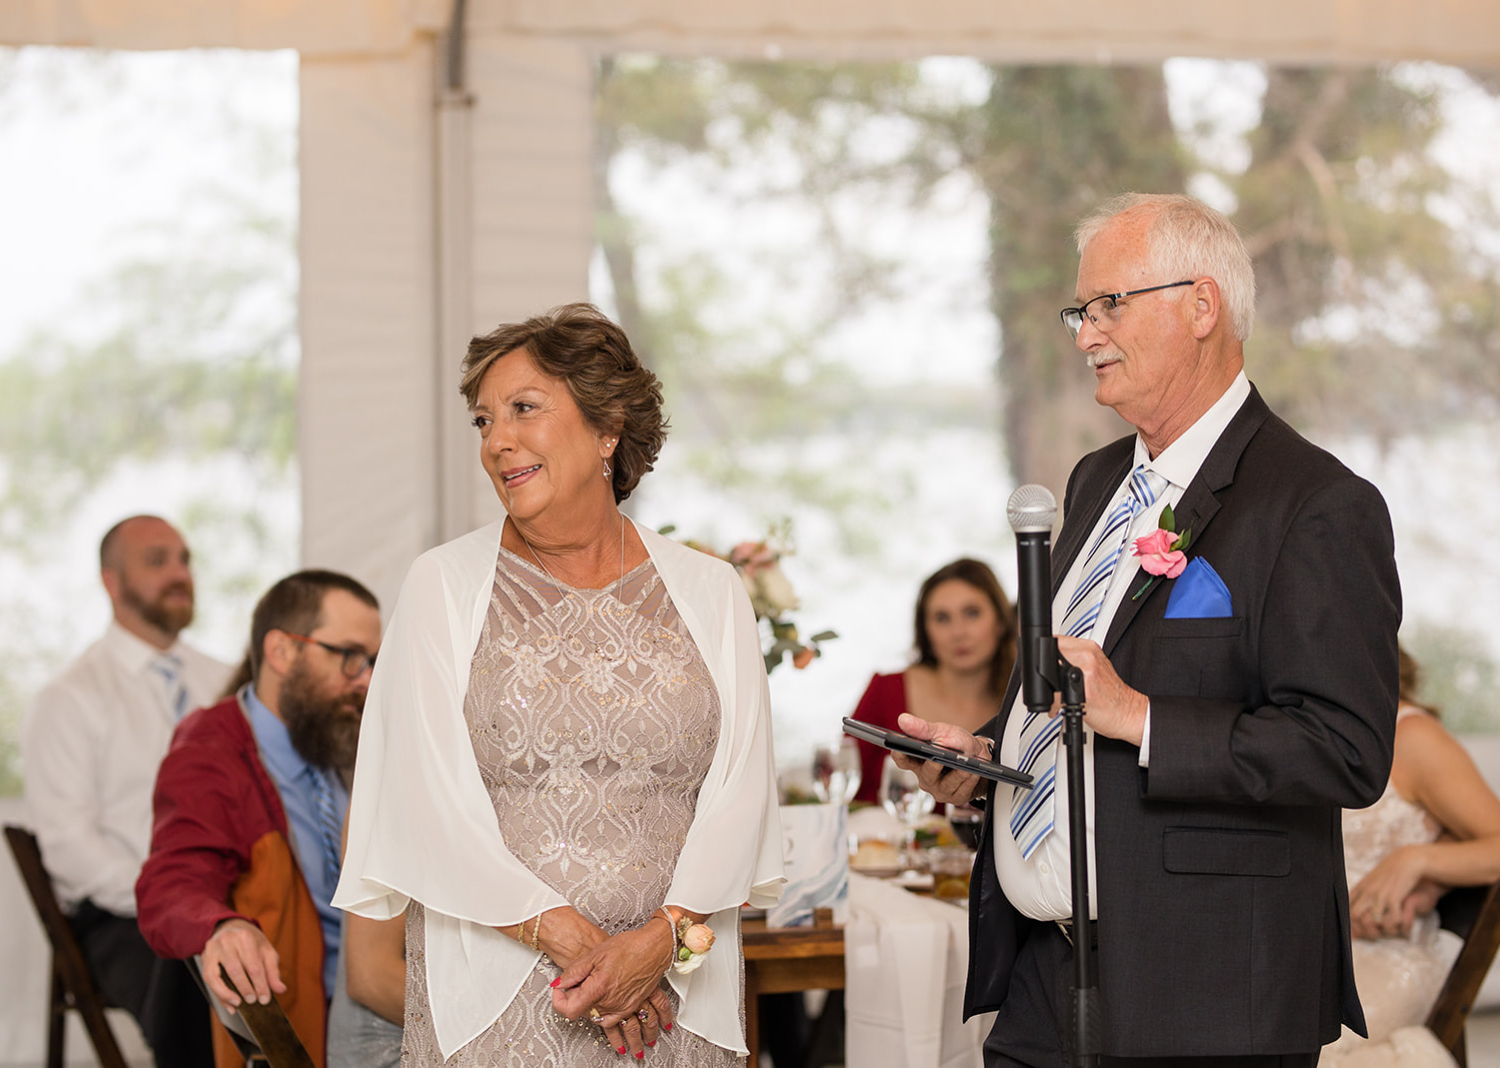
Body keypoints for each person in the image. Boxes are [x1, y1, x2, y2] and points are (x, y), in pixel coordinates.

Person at [897, 193, 1401, 1066]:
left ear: (1201, 306)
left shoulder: (1317, 505)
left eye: (1109, 305)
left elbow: (1346, 749)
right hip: (1043, 983)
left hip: (1203, 994)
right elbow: (1067, 691)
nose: (1086, 333)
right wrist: (985, 764)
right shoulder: (1094, 482)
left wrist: (1144, 719)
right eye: (1079, 311)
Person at [334, 302, 784, 1067]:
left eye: (523, 409)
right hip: (499, 997)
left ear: (607, 427)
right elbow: (423, 800)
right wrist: (592, 957)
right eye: (483, 422)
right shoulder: (442, 586)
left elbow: (742, 793)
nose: (497, 441)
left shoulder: (711, 592)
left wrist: (656, 946)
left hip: (678, 993)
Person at [135, 569, 381, 1068]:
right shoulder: (212, 753)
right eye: (350, 657)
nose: (368, 678)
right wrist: (221, 925)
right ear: (281, 652)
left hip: (375, 987)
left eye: (375, 661)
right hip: (312, 1014)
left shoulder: (340, 738)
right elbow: (172, 880)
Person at [21, 514, 231, 1067]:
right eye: (158, 561)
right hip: (126, 918)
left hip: (229, 900)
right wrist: (174, 898)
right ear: (111, 582)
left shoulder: (225, 681)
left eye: (185, 559)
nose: (180, 573)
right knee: (199, 969)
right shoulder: (69, 698)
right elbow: (69, 845)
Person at [1319, 649, 1500, 1067]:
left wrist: (1417, 862)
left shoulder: (1413, 737)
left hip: (1384, 961)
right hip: (1309, 957)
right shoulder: (1305, 734)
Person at [848, 557, 1016, 804]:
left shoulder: (1024, 701)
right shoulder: (886, 690)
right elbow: (845, 785)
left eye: (972, 613)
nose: (958, 632)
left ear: (1000, 621)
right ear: (924, 630)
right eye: (942, 618)